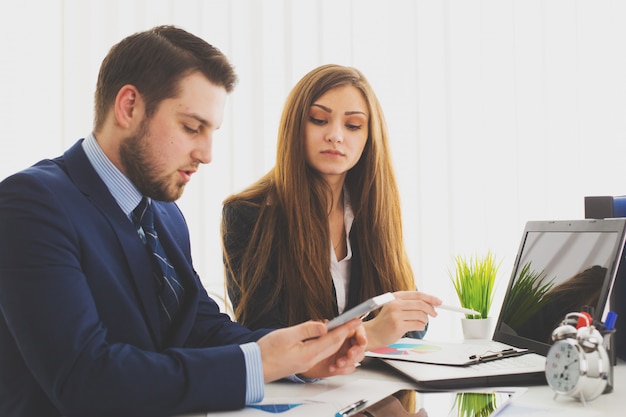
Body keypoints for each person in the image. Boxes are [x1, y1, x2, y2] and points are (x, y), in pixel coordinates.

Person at [0, 26, 367, 417]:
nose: (207, 153)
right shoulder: (32, 205)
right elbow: (86, 377)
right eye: (192, 128)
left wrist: (297, 357)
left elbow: (199, 328)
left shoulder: (163, 212)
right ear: (128, 107)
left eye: (212, 132)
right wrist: (258, 364)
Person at [222, 64, 441, 352]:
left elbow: (408, 332)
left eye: (353, 125)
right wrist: (368, 333)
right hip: (300, 392)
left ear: (368, 138)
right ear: (294, 127)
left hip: (373, 387)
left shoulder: (373, 209)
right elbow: (263, 336)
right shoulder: (249, 213)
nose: (336, 136)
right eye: (319, 120)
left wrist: (408, 315)